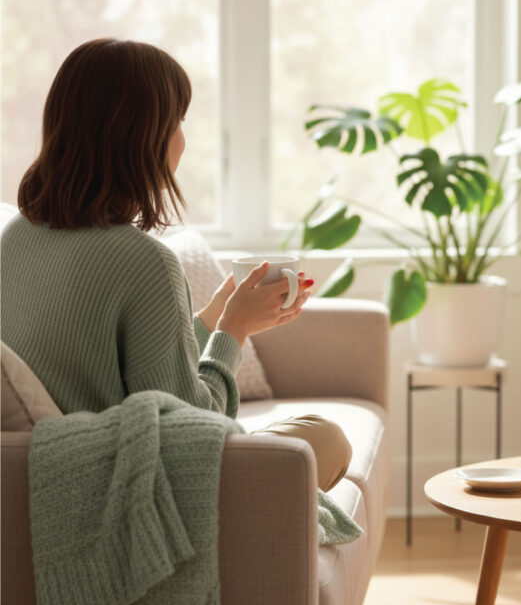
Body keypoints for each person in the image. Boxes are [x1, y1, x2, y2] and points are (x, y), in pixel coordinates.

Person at [1, 38, 351, 491]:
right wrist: (233, 334)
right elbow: (191, 432)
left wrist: (213, 319)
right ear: (142, 135)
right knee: (327, 438)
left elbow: (138, 380)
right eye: (178, 121)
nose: (183, 139)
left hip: (47, 473)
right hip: (131, 486)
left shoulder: (15, 238)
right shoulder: (144, 261)